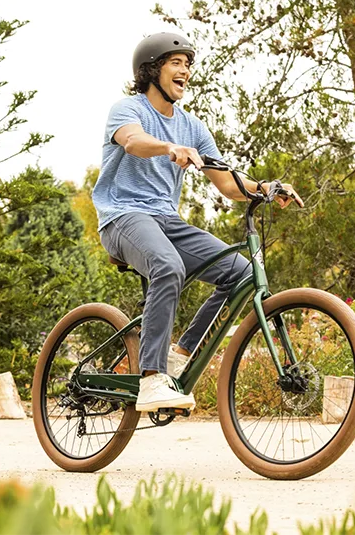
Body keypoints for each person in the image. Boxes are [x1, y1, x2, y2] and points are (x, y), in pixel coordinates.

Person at [92, 32, 303, 412]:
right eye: (176, 62)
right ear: (152, 70)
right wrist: (167, 147)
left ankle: (180, 352)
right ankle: (152, 378)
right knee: (167, 265)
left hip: (165, 220)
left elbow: (227, 183)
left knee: (241, 273)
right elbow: (134, 142)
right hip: (122, 215)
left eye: (188, 64)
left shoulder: (193, 127)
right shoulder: (128, 110)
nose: (185, 70)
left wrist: (267, 187)